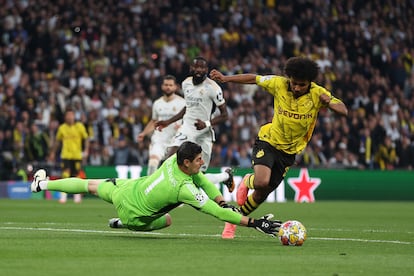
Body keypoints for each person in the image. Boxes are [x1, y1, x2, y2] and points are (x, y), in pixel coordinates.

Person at [210, 56, 348, 238]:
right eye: (294, 83)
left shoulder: (318, 93)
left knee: (261, 195)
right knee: (261, 182)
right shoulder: (279, 83)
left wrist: (329, 102)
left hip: (289, 152)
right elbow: (254, 78)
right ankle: (247, 181)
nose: (297, 87)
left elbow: (343, 111)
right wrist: (226, 78)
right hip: (268, 141)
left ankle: (232, 221)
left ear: (310, 83)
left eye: (301, 85)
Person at [31, 141, 281, 236]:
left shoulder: (173, 159)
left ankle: (42, 183)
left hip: (127, 190)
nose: (202, 163)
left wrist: (221, 198)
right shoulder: (184, 189)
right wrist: (254, 223)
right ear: (186, 162)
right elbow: (218, 214)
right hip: (133, 214)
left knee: (89, 185)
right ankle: (123, 224)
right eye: (198, 160)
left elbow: (202, 179)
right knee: (169, 219)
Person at [155, 57, 235, 192]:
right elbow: (188, 107)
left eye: (202, 67)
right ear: (190, 68)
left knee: (198, 178)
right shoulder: (186, 83)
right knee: (171, 155)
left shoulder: (213, 88)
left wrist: (206, 123)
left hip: (203, 134)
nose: (198, 70)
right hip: (186, 128)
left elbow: (225, 115)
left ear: (207, 70)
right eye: (195, 67)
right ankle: (163, 190)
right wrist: (168, 122)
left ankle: (226, 176)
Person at [137, 75, 186, 175]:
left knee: (175, 170)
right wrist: (144, 133)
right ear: (162, 86)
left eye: (170, 85)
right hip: (159, 139)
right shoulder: (157, 103)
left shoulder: (182, 103)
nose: (168, 87)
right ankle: (149, 186)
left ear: (175, 87)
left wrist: (182, 127)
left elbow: (188, 121)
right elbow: (154, 121)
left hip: (176, 141)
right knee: (153, 162)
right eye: (166, 85)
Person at [48, 108, 90, 203]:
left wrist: (86, 150)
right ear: (65, 117)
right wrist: (53, 153)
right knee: (65, 175)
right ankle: (63, 196)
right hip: (66, 155)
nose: (70, 117)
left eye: (71, 115)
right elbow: (57, 142)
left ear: (74, 116)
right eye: (68, 115)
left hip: (76, 155)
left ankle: (77, 196)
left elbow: (86, 138)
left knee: (76, 176)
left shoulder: (80, 126)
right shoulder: (62, 128)